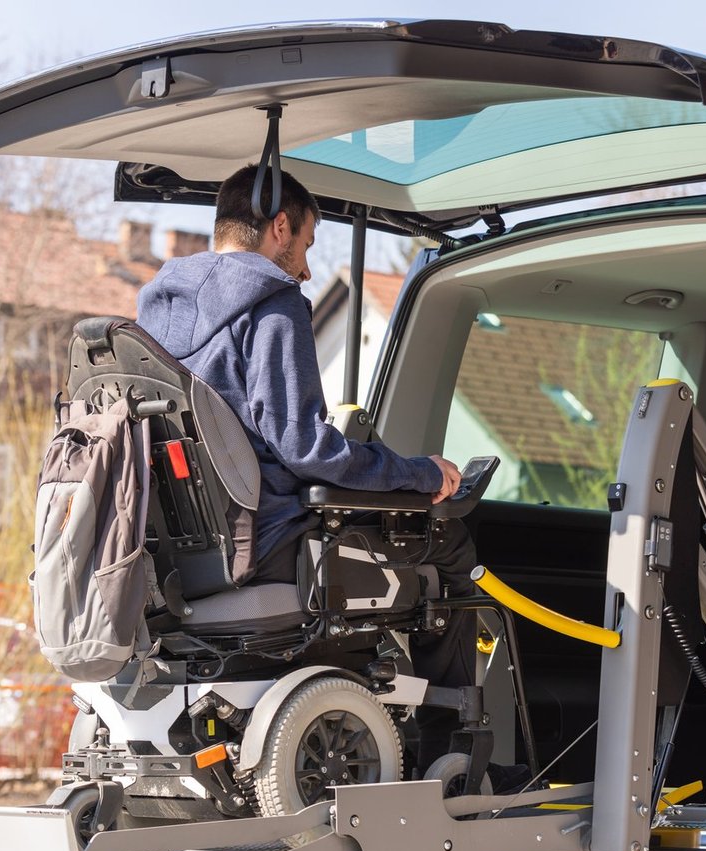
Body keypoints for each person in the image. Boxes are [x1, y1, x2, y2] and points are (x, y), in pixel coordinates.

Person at [134, 163, 476, 773]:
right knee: (444, 543)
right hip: (265, 544)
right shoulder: (272, 301)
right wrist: (421, 474)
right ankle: (447, 754)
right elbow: (306, 448)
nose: (308, 268)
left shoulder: (153, 314)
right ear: (281, 226)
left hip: (182, 557)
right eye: (308, 246)